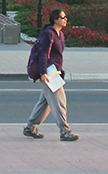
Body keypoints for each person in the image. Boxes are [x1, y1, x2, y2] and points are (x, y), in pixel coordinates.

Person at [23, 9, 77, 141]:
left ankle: (30, 127)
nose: (65, 19)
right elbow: (43, 54)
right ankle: (64, 131)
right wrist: (43, 73)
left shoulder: (60, 34)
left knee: (45, 102)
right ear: (55, 19)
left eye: (65, 17)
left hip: (54, 72)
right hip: (48, 73)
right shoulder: (48, 34)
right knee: (60, 101)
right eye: (62, 17)